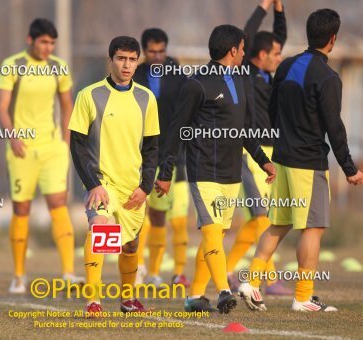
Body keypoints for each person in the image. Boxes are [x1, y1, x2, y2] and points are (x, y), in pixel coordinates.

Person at [239, 8, 363, 312]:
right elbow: (334, 127)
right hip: (308, 163)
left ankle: (251, 282)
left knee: (279, 223)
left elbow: (271, 109)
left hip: (280, 158)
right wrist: (349, 168)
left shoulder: (286, 66)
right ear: (332, 39)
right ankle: (303, 297)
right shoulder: (328, 78)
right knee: (313, 227)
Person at [155, 25, 275, 314]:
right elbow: (176, 129)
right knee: (210, 230)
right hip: (203, 169)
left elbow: (243, 130)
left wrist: (262, 160)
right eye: (242, 48)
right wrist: (165, 172)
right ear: (233, 50)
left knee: (217, 235)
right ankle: (223, 290)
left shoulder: (239, 81)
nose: (244, 53)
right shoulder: (196, 84)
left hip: (231, 172)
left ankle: (195, 295)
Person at [69, 36, 160, 315]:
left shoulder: (146, 98)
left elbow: (152, 147)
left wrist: (145, 187)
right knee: (100, 228)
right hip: (103, 184)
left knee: (130, 246)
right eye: (121, 58)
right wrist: (93, 184)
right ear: (111, 60)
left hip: (133, 187)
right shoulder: (90, 95)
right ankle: (93, 301)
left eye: (132, 59)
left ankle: (127, 300)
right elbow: (77, 144)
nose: (127, 64)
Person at [0, 18, 83, 293]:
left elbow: (68, 103)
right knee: (21, 209)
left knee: (58, 203)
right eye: (44, 42)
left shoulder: (58, 67)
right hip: (22, 149)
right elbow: (1, 106)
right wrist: (12, 136)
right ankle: (19, 276)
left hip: (52, 148)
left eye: (52, 43)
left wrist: (66, 138)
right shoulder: (13, 65)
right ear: (30, 40)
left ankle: (69, 272)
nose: (48, 48)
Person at [226, 0, 291, 295]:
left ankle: (263, 276)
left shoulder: (269, 74)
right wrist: (264, 6)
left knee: (265, 218)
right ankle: (234, 271)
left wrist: (279, 8)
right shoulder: (244, 73)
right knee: (262, 217)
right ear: (260, 55)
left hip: (270, 155)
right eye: (275, 54)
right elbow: (247, 34)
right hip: (249, 154)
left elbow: (279, 38)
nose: (280, 57)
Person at [133, 28, 191, 288]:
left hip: (174, 154)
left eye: (161, 51)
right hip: (144, 154)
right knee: (147, 214)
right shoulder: (136, 75)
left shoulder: (178, 76)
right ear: (145, 52)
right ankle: (145, 268)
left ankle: (170, 271)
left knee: (171, 217)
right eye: (152, 52)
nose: (157, 57)